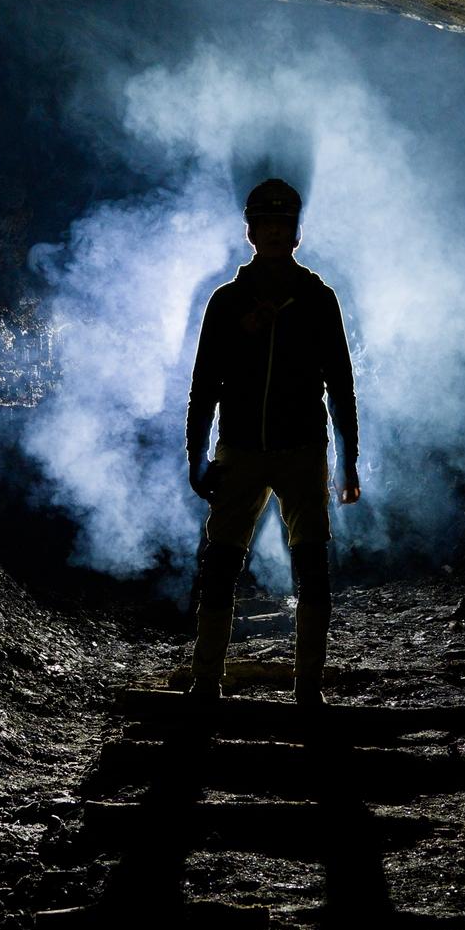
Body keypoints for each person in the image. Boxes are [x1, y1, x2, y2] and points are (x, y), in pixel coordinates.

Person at [184, 178, 361, 709]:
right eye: (267, 224)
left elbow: (341, 383)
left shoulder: (317, 300)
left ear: (296, 233)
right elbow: (204, 382)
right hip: (238, 448)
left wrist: (349, 460)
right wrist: (196, 455)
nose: (276, 232)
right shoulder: (227, 302)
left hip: (303, 450)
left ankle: (308, 684)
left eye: (284, 224)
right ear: (252, 231)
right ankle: (206, 680)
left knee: (311, 564)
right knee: (220, 564)